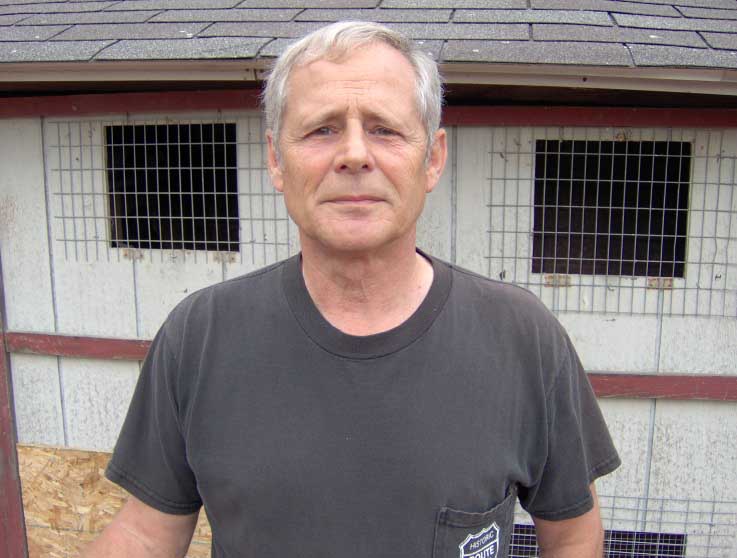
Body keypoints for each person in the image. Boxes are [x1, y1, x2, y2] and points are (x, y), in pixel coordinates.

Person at [83, 21, 619, 558]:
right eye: (322, 130)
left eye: (384, 129)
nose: (355, 154)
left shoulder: (523, 338)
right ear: (276, 160)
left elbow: (573, 536)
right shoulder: (200, 336)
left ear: (432, 159)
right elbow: (144, 535)